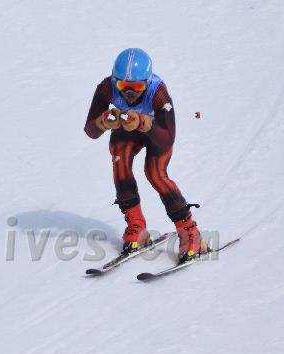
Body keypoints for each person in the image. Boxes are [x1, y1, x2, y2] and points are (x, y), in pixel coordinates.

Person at [84, 48, 207, 263]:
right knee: (120, 160)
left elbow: (167, 138)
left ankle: (189, 230)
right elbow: (90, 131)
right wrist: (103, 122)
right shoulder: (106, 87)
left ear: (147, 83)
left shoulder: (158, 93)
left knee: (155, 173)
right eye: (123, 86)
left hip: (156, 132)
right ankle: (136, 224)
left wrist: (144, 123)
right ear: (115, 81)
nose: (129, 93)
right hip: (128, 126)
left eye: (137, 87)